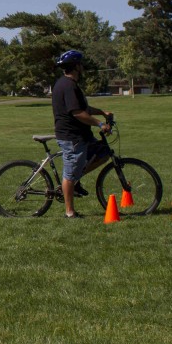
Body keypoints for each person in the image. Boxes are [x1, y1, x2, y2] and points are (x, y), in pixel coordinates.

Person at [52, 50, 113, 219]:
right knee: (70, 174)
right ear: (76, 66)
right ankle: (69, 212)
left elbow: (84, 108)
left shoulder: (69, 84)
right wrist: (100, 123)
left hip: (81, 135)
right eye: (81, 64)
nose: (83, 67)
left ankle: (75, 182)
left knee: (102, 153)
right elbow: (77, 113)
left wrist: (102, 112)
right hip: (72, 137)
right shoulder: (68, 86)